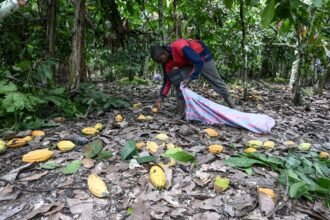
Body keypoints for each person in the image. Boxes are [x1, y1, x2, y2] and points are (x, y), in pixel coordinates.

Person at [150, 39, 235, 118]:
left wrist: (190, 78)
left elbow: (198, 62)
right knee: (177, 80)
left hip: (201, 57)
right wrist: (160, 98)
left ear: (163, 54)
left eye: (160, 60)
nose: (161, 63)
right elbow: (167, 81)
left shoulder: (180, 47)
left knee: (216, 82)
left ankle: (233, 107)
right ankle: (181, 113)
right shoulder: (166, 62)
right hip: (188, 62)